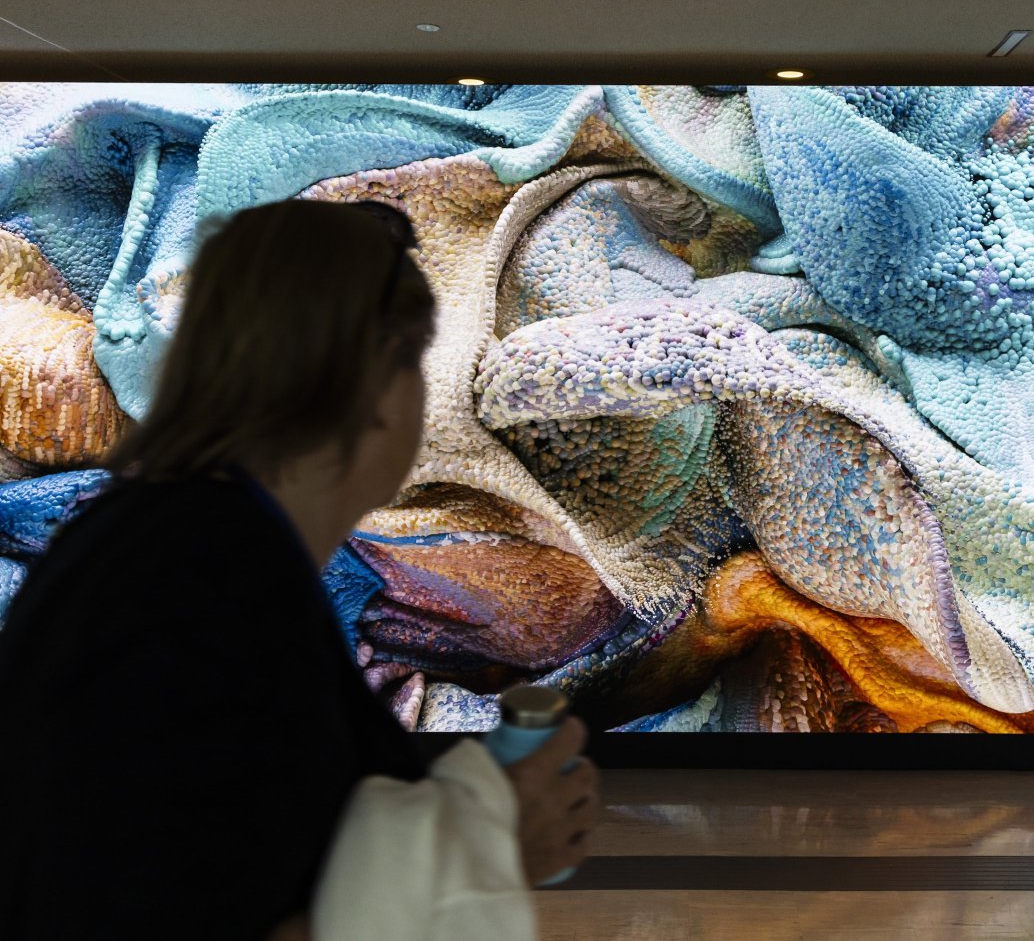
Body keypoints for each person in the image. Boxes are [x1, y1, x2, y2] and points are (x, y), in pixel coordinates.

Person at [0, 200, 598, 940]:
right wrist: (487, 844)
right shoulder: (206, 574)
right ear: (378, 388)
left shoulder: (179, 548)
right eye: (419, 361)